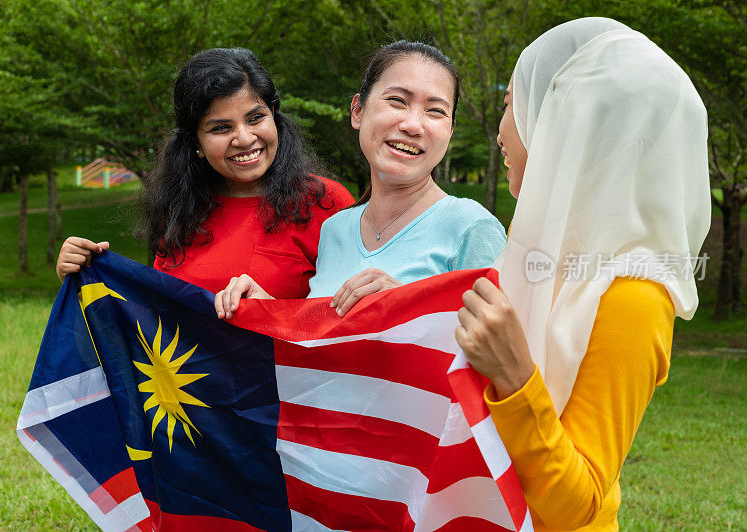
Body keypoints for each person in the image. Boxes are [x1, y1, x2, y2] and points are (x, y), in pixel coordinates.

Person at [455, 18, 710, 530]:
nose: (502, 130)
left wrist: (515, 377)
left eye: (511, 104)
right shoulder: (551, 257)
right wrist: (401, 306)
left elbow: (578, 506)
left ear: (568, 118)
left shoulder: (635, 294)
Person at [215, 41, 506, 319]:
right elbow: (327, 342)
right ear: (357, 111)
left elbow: (503, 355)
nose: (413, 125)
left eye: (435, 111)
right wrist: (267, 309)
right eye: (397, 101)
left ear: (450, 131)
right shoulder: (334, 230)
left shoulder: (471, 228)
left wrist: (410, 306)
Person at [56, 48, 354, 295]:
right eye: (221, 128)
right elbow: (158, 321)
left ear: (274, 118)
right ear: (196, 142)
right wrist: (85, 279)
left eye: (255, 118)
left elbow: (353, 323)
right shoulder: (181, 211)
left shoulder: (325, 202)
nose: (245, 138)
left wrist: (269, 312)